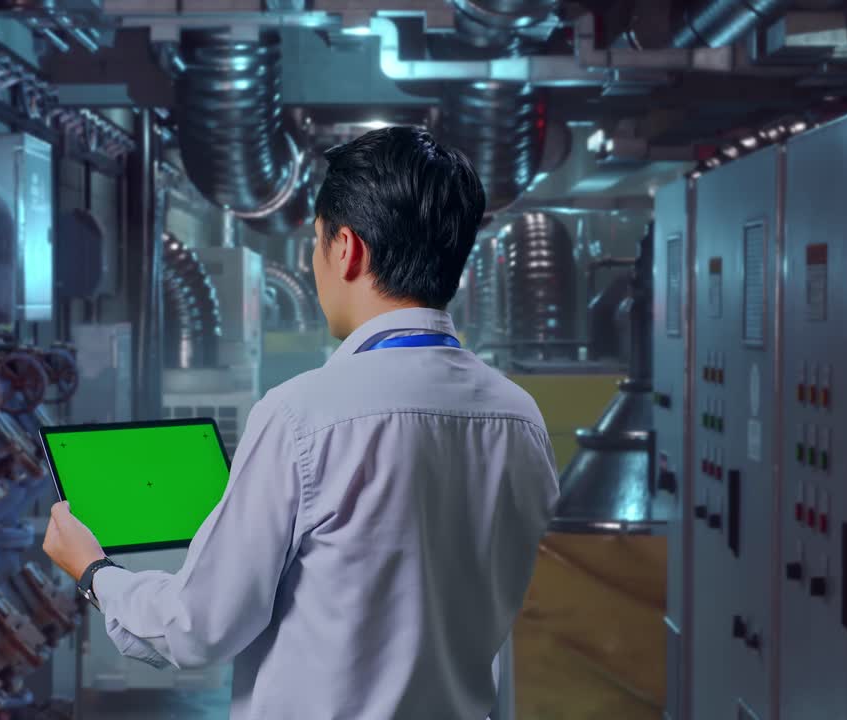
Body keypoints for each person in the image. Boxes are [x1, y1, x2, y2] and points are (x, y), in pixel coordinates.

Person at [42, 126, 560, 719]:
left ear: (346, 249)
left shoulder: (303, 415)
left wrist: (95, 572)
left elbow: (198, 627)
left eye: (316, 243)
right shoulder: (520, 417)